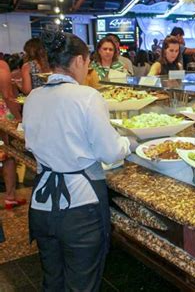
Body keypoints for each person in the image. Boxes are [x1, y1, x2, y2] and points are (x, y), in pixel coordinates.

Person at [23, 31, 130, 291]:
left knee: (52, 281)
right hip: (80, 209)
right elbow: (110, 151)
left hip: (41, 204)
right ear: (80, 61)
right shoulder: (87, 97)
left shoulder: (33, 97)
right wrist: (128, 142)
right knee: (82, 285)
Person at [0, 60, 24, 210]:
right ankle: (10, 196)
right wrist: (19, 118)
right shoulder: (2, 67)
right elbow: (8, 95)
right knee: (7, 155)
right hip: (2, 118)